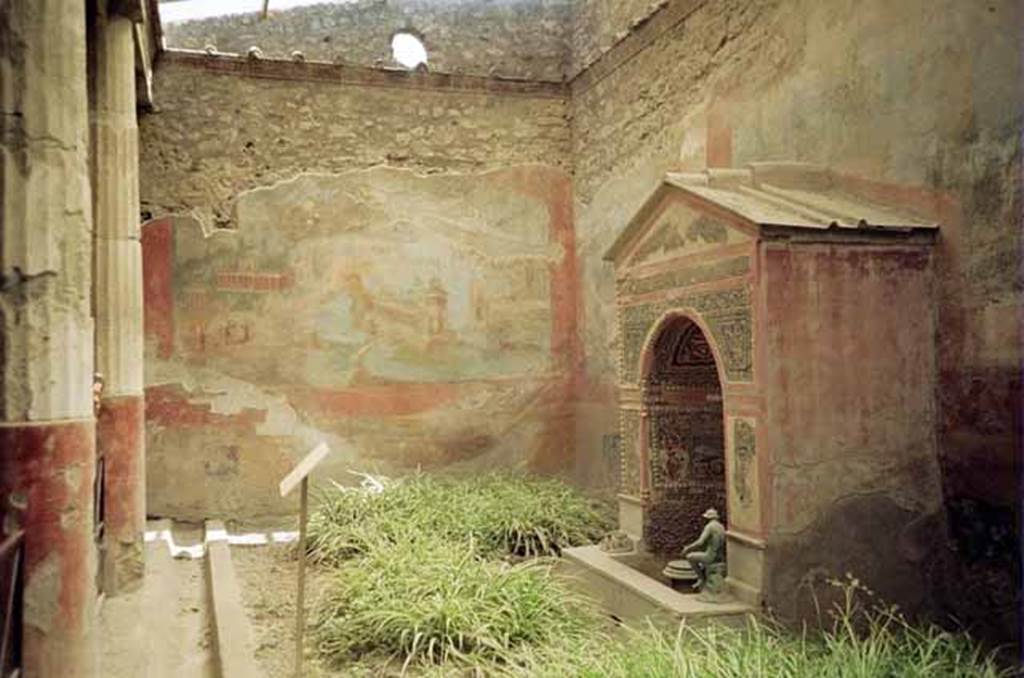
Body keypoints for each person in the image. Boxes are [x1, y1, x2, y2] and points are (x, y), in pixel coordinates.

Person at [682, 508, 725, 590]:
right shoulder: (721, 526)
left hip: (711, 556)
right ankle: (704, 575)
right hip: (720, 556)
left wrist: (688, 548)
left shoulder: (709, 527)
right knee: (700, 559)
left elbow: (700, 542)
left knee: (690, 557)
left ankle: (701, 578)